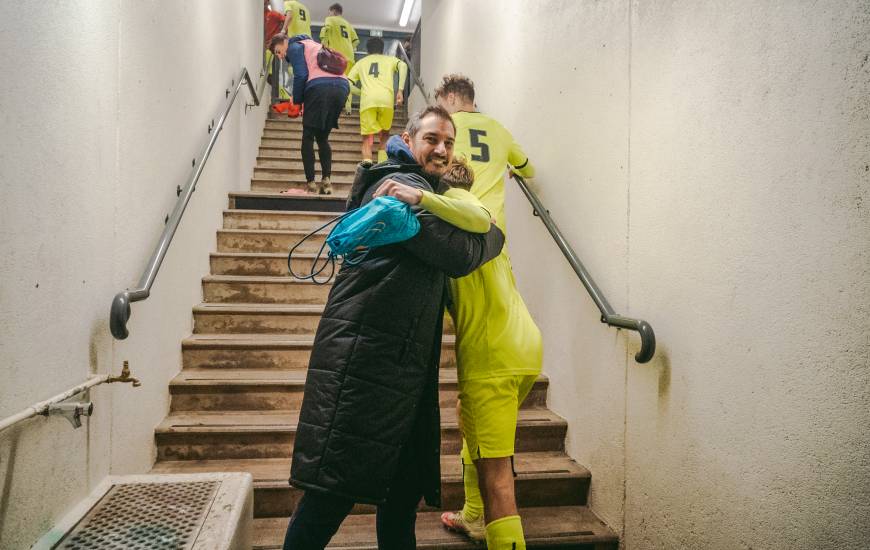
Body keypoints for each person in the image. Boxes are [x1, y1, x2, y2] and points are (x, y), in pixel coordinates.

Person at [282, 106, 505, 550]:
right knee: (331, 494)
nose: (441, 149)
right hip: (365, 366)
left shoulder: (414, 189)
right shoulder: (396, 188)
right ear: (408, 138)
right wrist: (495, 232)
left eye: (448, 141)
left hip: (396, 368)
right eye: (431, 139)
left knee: (399, 499)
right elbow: (461, 253)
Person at [433, 74, 539, 549]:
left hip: (494, 348)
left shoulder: (443, 141)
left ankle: (488, 517)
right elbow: (528, 168)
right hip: (498, 260)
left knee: (499, 471)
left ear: (446, 104)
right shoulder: (498, 129)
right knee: (467, 414)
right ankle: (473, 515)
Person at [434, 73, 535, 232]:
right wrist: (515, 170)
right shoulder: (500, 129)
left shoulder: (443, 126)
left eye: (441, 106)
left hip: (456, 215)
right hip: (493, 224)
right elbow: (529, 171)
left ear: (451, 97)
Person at [268, 33, 350, 195]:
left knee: (308, 136)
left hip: (319, 87)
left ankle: (311, 183)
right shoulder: (313, 45)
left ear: (285, 42)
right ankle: (326, 180)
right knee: (322, 137)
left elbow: (301, 75)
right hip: (341, 88)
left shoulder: (294, 46)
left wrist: (297, 101)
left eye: (278, 51)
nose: (280, 56)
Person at [347, 38, 407, 163]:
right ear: (382, 49)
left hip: (368, 102)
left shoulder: (361, 63)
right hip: (386, 101)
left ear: (367, 50)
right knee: (384, 136)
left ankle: (368, 168)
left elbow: (347, 83)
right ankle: (381, 168)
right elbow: (403, 65)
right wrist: (400, 90)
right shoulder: (390, 60)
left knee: (367, 139)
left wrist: (361, 92)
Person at [319, 3, 359, 114]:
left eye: (330, 12)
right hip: (350, 57)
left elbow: (326, 30)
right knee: (347, 82)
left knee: (333, 81)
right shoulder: (348, 24)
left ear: (334, 12)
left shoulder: (330, 19)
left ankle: (332, 105)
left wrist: (323, 44)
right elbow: (356, 41)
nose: (329, 14)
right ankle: (348, 108)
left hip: (336, 57)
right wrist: (349, 48)